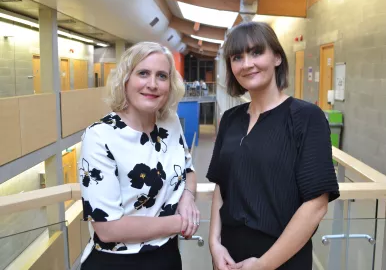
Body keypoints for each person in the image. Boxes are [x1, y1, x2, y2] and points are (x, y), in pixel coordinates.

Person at [206, 22, 339, 270]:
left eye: (256, 52)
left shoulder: (306, 117)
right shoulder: (231, 119)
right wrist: (215, 244)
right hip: (228, 255)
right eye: (237, 57)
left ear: (277, 57)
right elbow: (221, 187)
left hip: (281, 256)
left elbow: (316, 205)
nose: (247, 64)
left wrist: (263, 265)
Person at [79, 42, 199, 270]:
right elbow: (107, 229)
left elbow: (188, 170)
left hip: (167, 255)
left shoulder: (170, 123)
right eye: (143, 73)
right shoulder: (100, 136)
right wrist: (181, 222)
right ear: (125, 79)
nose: (152, 84)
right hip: (118, 262)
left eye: (162, 76)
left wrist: (187, 198)